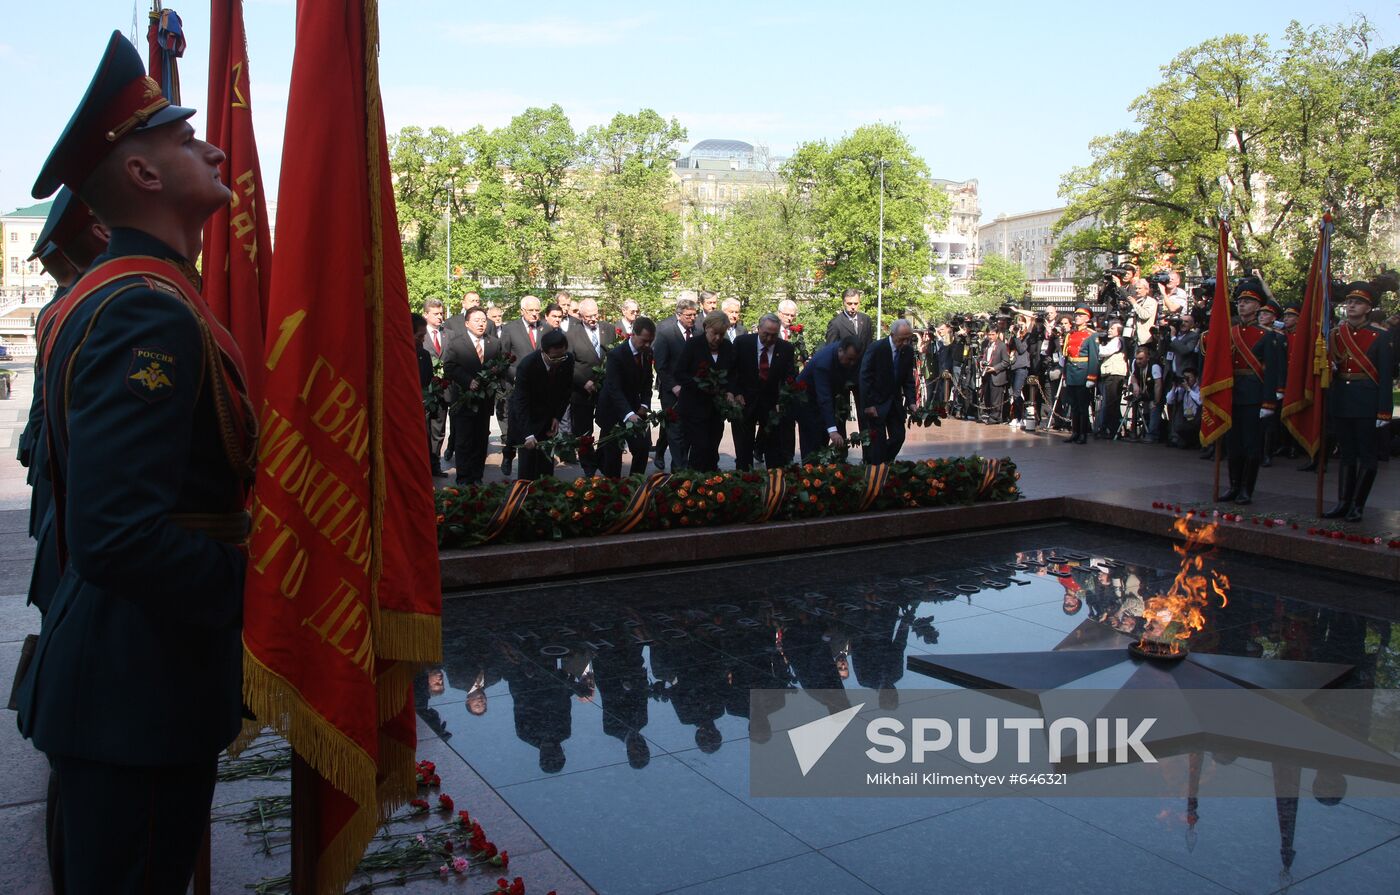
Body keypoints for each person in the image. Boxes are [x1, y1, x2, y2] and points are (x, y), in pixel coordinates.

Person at [17, 32, 257, 895]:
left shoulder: (132, 292)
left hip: (129, 686)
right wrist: (262, 585)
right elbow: (117, 533)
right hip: (139, 693)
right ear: (143, 173)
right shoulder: (143, 310)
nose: (215, 149)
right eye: (188, 140)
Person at [1323, 278, 1395, 521]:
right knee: (1346, 454)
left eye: (1358, 302)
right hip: (1342, 400)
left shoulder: (1380, 336)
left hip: (1367, 402)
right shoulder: (1335, 334)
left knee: (1367, 455)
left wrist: (1384, 411)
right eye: (1349, 301)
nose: (1351, 305)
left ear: (1368, 307)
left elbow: (1385, 376)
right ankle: (1343, 502)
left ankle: (1357, 505)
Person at [1213, 276, 1284, 504]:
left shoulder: (1268, 335)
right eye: (1240, 302)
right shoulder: (1231, 331)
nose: (1242, 305)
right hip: (1231, 393)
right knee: (1233, 444)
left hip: (1254, 395)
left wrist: (1268, 402)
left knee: (1251, 445)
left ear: (1258, 306)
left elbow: (1273, 371)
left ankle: (1246, 489)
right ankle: (1233, 486)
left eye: (1247, 302)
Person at [729, 314, 797, 470]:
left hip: (771, 404)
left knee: (774, 450)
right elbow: (732, 371)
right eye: (766, 334)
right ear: (758, 329)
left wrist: (783, 399)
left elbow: (789, 376)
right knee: (743, 450)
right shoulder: (742, 343)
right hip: (744, 402)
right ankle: (744, 479)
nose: (769, 339)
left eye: (774, 335)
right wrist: (735, 392)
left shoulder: (785, 348)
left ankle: (774, 480)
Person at [442, 307, 502, 485]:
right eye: (477, 320)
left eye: (484, 320)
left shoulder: (494, 343)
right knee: (464, 440)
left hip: (484, 400)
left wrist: (496, 371)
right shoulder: (456, 343)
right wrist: (468, 381)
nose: (481, 324)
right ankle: (463, 477)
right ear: (467, 323)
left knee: (481, 439)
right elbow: (449, 367)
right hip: (464, 399)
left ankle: (477, 476)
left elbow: (501, 364)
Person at [507, 329, 574, 481]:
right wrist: (528, 434)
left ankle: (546, 491)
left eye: (562, 356)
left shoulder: (568, 359)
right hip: (527, 416)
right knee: (528, 466)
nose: (559, 361)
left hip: (548, 417)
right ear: (543, 352)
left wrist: (557, 416)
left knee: (546, 465)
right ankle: (525, 493)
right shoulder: (527, 365)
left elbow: (565, 391)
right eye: (554, 358)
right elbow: (521, 402)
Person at [674, 311, 737, 471]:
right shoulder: (693, 345)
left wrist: (730, 391)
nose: (717, 338)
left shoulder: (727, 347)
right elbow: (679, 373)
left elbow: (732, 373)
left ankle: (711, 479)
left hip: (716, 409)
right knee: (700, 448)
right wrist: (700, 383)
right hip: (694, 407)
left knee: (712, 447)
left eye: (721, 334)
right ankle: (695, 479)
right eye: (714, 333)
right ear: (706, 327)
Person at [596, 317, 656, 478]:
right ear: (633, 334)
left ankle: (635, 482)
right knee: (613, 456)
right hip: (613, 410)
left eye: (650, 341)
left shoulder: (647, 353)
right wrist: (629, 414)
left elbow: (647, 382)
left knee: (642, 447)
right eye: (644, 341)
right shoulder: (616, 355)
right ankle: (613, 486)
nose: (647, 345)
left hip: (635, 407)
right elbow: (614, 389)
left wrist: (645, 405)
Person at [495, 295, 545, 477]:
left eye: (537, 310)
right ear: (522, 311)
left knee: (536, 422)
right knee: (516, 424)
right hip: (517, 385)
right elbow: (503, 358)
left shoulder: (546, 328)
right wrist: (515, 375)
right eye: (531, 310)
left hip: (540, 386)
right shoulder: (510, 329)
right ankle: (509, 454)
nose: (534, 314)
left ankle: (535, 461)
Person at [564, 298, 613, 476]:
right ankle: (589, 466)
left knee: (608, 424)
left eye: (595, 315)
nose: (593, 319)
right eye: (588, 316)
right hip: (581, 390)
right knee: (583, 431)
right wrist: (583, 381)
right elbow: (568, 363)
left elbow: (613, 354)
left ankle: (603, 458)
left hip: (605, 388)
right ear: (581, 316)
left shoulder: (608, 329)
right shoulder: (571, 334)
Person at [859, 319, 917, 465]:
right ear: (892, 334)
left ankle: (880, 462)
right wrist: (868, 404)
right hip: (876, 403)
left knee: (899, 437)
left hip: (895, 403)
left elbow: (908, 379)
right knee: (877, 442)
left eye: (908, 339)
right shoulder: (877, 348)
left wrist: (911, 402)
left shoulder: (908, 351)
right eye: (902, 339)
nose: (905, 343)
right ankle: (877, 466)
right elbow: (865, 378)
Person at [652, 296, 699, 470]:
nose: (692, 318)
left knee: (687, 430)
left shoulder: (698, 333)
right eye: (688, 315)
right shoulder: (666, 334)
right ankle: (679, 469)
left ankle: (679, 465)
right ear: (678, 315)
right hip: (672, 392)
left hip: (692, 391)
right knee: (675, 429)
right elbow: (660, 365)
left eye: (694, 315)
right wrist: (673, 386)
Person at [795, 338, 862, 460]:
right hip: (806, 401)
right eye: (850, 359)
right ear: (840, 351)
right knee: (812, 441)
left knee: (823, 439)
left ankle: (821, 466)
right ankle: (809, 467)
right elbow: (824, 397)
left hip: (825, 398)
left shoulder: (845, 355)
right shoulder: (824, 363)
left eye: (855, 360)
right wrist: (832, 430)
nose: (852, 363)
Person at [1061, 307, 1100, 444]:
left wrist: (1091, 377)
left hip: (1083, 372)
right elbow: (1067, 357)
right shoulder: (1071, 334)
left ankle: (1083, 434)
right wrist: (1065, 375)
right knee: (1074, 406)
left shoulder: (1091, 335)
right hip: (1071, 372)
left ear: (1087, 319)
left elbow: (1094, 358)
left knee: (1083, 406)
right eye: (1076, 315)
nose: (1077, 317)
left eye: (1080, 315)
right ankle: (1075, 432)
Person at [422, 296, 452, 475]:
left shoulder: (449, 334)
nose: (440, 317)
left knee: (438, 430)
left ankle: (435, 465)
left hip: (443, 391)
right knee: (423, 430)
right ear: (426, 314)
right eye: (436, 314)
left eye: (441, 313)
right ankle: (423, 465)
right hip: (425, 392)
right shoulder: (420, 335)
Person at [1095, 321, 1127, 439]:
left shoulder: (1117, 340)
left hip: (1114, 374)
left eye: (1113, 328)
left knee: (1111, 403)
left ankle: (1113, 430)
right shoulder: (1114, 341)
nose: (1109, 330)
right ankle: (1115, 429)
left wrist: (1097, 343)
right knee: (1111, 404)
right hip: (1111, 374)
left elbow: (1104, 352)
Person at [825, 288, 874, 352]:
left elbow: (869, 345)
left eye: (856, 303)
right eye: (849, 304)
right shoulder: (835, 324)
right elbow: (830, 349)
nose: (853, 307)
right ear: (843, 303)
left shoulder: (866, 320)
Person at [979, 328, 1011, 424]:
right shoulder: (986, 345)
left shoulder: (1002, 346)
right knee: (988, 398)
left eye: (992, 334)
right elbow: (984, 357)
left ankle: (995, 418)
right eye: (989, 334)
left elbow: (1006, 362)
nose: (990, 337)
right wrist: (981, 362)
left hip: (997, 375)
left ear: (997, 334)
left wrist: (994, 368)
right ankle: (989, 415)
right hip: (987, 375)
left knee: (996, 399)